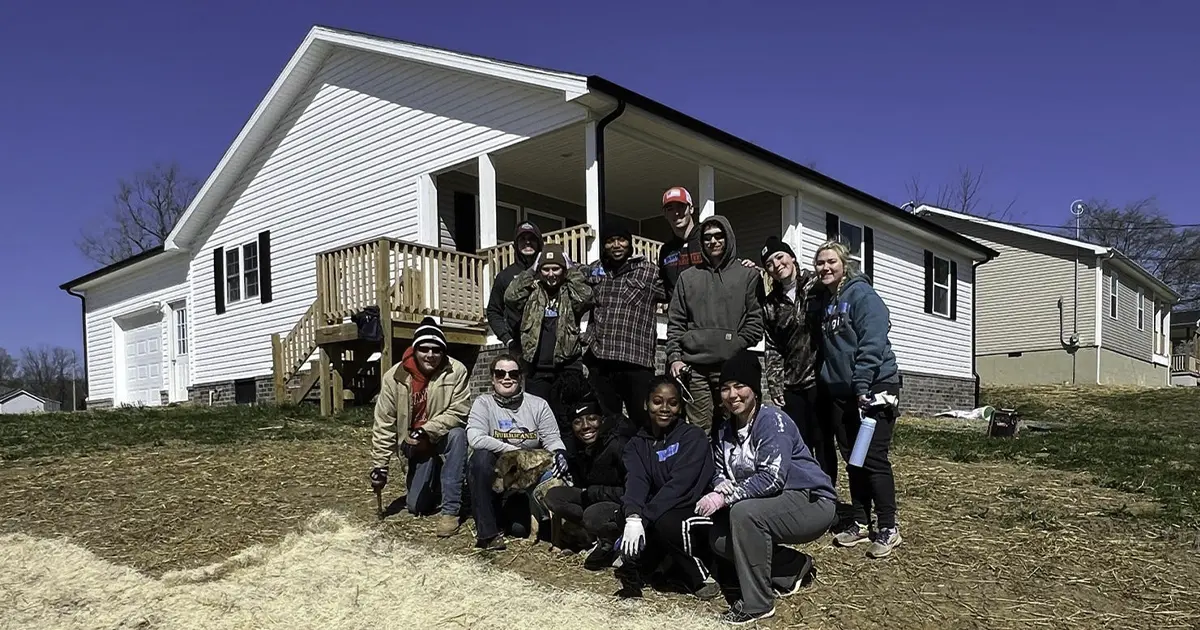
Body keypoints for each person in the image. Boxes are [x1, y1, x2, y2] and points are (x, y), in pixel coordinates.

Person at [697, 350, 838, 625]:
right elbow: (718, 469)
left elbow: (772, 478)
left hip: (810, 500)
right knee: (720, 539)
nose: (732, 395)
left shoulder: (772, 421)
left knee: (743, 514)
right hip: (771, 504)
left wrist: (725, 496)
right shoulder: (725, 430)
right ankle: (790, 567)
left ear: (755, 389)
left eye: (740, 386)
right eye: (725, 388)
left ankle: (758, 603)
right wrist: (719, 484)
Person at [812, 239, 903, 558]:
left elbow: (873, 341)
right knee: (855, 458)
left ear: (844, 264)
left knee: (874, 456)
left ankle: (888, 527)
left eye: (831, 262)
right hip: (844, 393)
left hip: (876, 386)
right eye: (820, 262)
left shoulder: (862, 295)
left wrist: (862, 383)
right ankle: (862, 521)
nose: (825, 267)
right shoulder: (826, 301)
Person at [616, 376, 721, 601]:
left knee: (667, 523)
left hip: (696, 508)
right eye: (657, 401)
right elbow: (636, 481)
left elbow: (681, 486)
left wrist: (644, 518)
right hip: (662, 507)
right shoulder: (637, 444)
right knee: (624, 514)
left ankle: (702, 575)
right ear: (646, 404)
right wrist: (633, 516)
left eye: (672, 403)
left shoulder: (693, 437)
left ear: (680, 407)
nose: (665, 408)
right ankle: (657, 563)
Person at [369, 317, 471, 537]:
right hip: (414, 446)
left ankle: (450, 511)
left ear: (443, 351)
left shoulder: (457, 371)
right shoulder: (394, 377)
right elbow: (384, 423)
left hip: (441, 436)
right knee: (416, 506)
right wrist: (380, 467)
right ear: (414, 350)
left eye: (437, 350)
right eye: (424, 349)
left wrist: (427, 429)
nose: (430, 355)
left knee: (458, 435)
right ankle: (435, 480)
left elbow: (459, 411)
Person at [665, 215, 764, 434]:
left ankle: (732, 468)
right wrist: (674, 358)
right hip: (694, 367)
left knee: (733, 426)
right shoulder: (688, 277)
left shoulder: (747, 275)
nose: (713, 241)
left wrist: (734, 344)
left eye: (719, 236)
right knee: (700, 430)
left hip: (730, 366)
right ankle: (705, 469)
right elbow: (676, 322)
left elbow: (756, 322)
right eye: (707, 237)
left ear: (728, 237)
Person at [754, 236, 837, 485]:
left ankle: (828, 496)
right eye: (769, 263)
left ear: (792, 257)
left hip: (821, 379)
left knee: (823, 443)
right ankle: (807, 496)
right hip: (792, 385)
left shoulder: (816, 286)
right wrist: (775, 384)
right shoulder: (771, 305)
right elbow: (773, 347)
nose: (776, 264)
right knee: (800, 444)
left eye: (780, 257)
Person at [466, 353, 571, 551]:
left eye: (513, 373)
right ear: (492, 378)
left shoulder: (538, 404)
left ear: (520, 378)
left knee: (518, 529)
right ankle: (488, 534)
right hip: (499, 475)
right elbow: (475, 438)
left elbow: (552, 437)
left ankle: (550, 524)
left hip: (528, 476)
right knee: (479, 458)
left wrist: (560, 453)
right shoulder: (483, 403)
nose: (507, 378)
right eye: (500, 373)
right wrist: (515, 451)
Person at [581, 224, 665, 436]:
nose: (616, 245)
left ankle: (646, 466)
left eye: (621, 240)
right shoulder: (595, 270)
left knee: (644, 421)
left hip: (636, 361)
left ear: (630, 243)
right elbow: (567, 274)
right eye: (610, 241)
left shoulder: (649, 271)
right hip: (601, 361)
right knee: (607, 424)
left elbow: (678, 290)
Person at [542, 397, 629, 570]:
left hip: (622, 503)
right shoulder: (580, 447)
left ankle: (614, 541)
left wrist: (595, 492)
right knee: (554, 496)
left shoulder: (618, 446)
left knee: (592, 514)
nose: (585, 426)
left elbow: (633, 489)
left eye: (592, 419)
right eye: (577, 422)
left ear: (602, 420)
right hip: (594, 497)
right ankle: (593, 535)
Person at [504, 243, 595, 406]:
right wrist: (532, 270)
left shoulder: (570, 291)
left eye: (556, 269)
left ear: (563, 270)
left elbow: (586, 297)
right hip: (537, 368)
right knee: (539, 417)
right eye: (546, 269)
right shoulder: (532, 291)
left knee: (567, 416)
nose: (551, 274)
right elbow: (510, 297)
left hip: (567, 366)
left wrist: (571, 268)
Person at [486, 222, 544, 357]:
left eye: (532, 238)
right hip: (519, 348)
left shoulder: (549, 272)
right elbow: (493, 311)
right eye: (522, 239)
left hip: (548, 344)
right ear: (516, 244)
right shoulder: (505, 276)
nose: (527, 242)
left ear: (539, 242)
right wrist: (508, 339)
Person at [656, 186, 703, 302]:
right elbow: (664, 287)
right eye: (670, 209)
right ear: (665, 214)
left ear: (691, 209)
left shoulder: (706, 239)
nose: (676, 213)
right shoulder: (666, 250)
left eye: (681, 206)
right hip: (678, 317)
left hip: (707, 315)